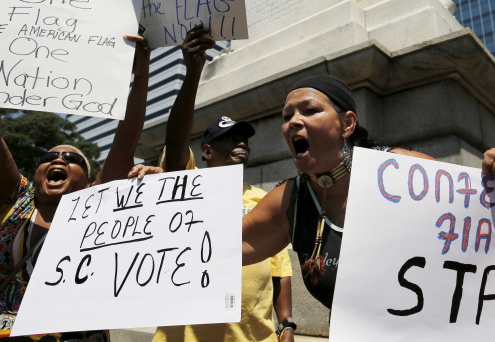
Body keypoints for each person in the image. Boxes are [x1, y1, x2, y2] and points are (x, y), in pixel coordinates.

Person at [241, 74, 495, 309]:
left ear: (347, 124)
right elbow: (222, 248)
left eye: (310, 110)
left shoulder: (405, 170)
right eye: (287, 115)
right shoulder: (290, 200)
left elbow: (486, 226)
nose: (293, 121)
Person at [133, 25, 295, 342]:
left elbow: (280, 269)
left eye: (244, 139)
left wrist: (286, 323)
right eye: (229, 140)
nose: (241, 144)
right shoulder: (186, 186)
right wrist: (193, 73)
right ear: (207, 151)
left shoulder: (266, 198)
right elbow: (177, 143)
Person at [0, 33, 151, 340]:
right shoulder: (16, 198)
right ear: (37, 171)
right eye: (49, 157)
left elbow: (125, 143)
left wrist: (141, 76)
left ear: (87, 178)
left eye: (70, 158)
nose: (58, 160)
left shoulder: (96, 201)